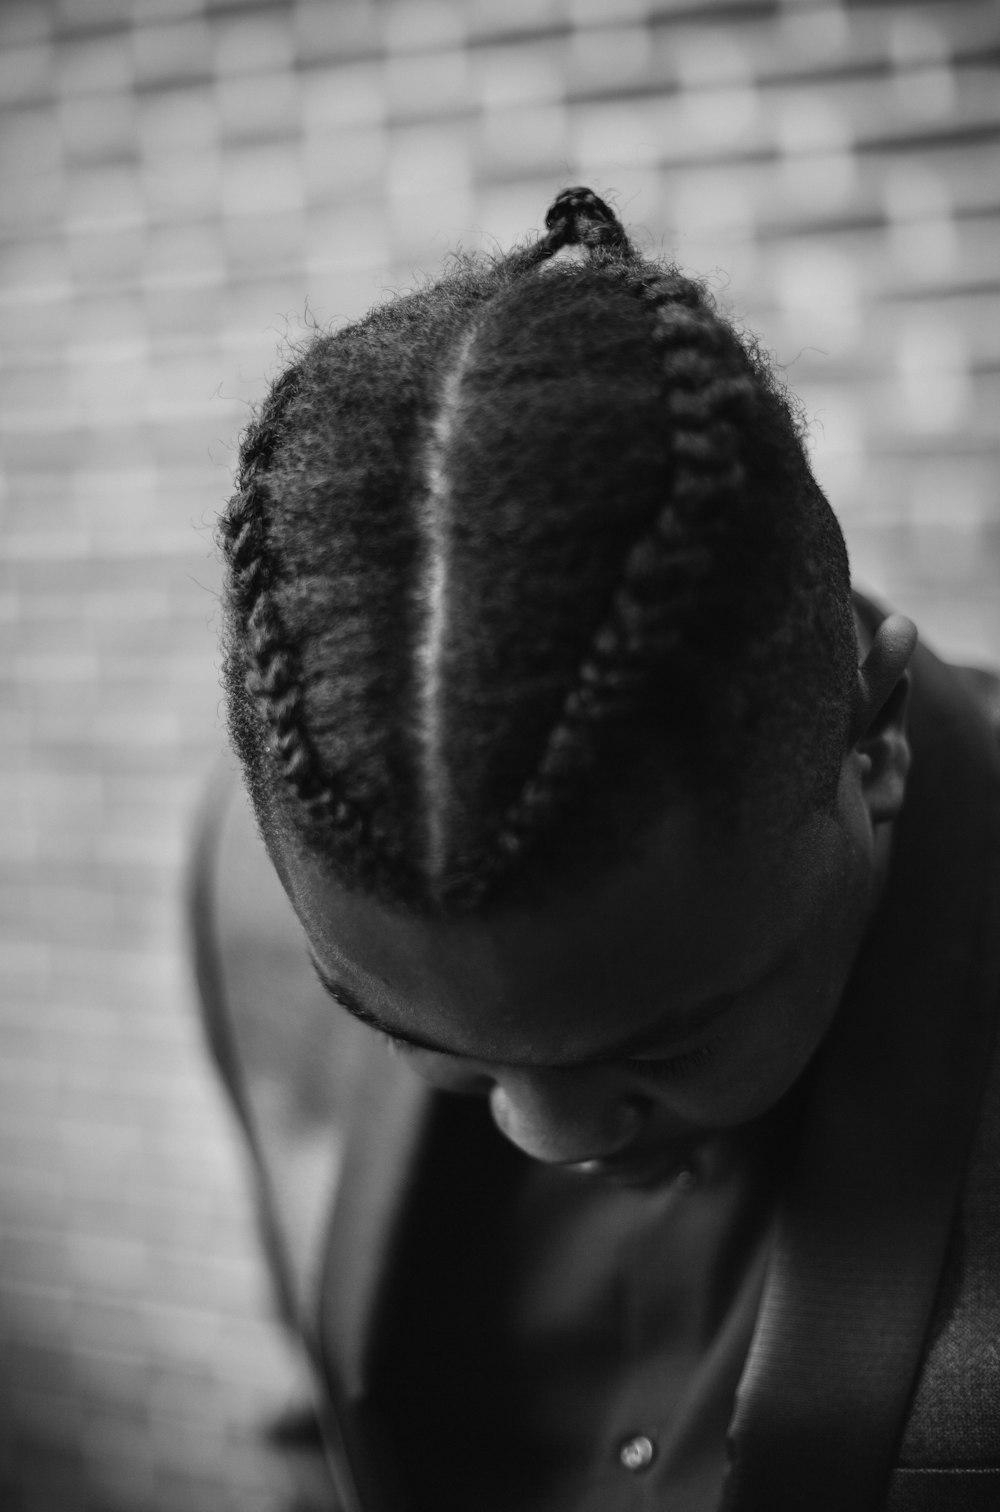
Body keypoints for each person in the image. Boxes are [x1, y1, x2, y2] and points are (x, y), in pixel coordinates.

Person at [198, 188, 1000, 1512]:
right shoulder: (244, 885)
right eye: (430, 1046)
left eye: (665, 1042)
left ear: (875, 741)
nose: (546, 1135)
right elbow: (319, 1415)